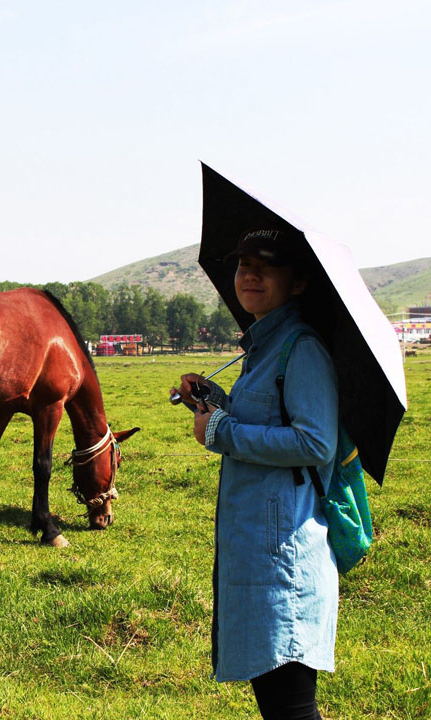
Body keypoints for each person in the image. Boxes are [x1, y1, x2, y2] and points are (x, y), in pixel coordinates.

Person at [172, 229, 338, 720]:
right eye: (244, 264)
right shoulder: (264, 345)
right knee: (278, 704)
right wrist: (214, 402)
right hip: (259, 549)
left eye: (266, 266)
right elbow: (267, 419)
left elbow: (315, 442)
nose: (250, 275)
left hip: (282, 551)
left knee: (290, 707)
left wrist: (220, 430)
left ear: (300, 282)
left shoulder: (300, 348)